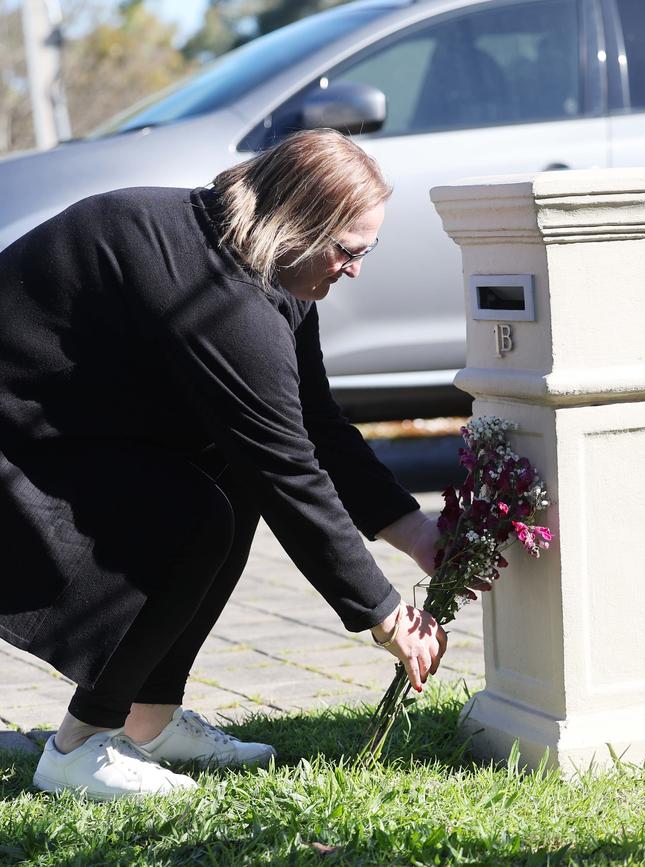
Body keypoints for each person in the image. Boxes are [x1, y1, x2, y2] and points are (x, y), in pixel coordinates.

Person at [0, 129, 450, 800]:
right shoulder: (219, 295)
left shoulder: (269, 263)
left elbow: (315, 424)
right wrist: (385, 615)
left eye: (367, 249)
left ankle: (148, 719)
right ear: (300, 224)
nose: (356, 267)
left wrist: (416, 533)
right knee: (193, 514)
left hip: (65, 420)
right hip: (17, 440)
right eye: (349, 250)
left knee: (226, 478)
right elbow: (290, 471)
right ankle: (79, 748)